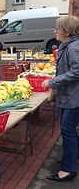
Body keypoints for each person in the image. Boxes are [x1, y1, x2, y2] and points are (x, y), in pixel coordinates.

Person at [42, 15, 79, 182]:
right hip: (68, 96)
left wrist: (52, 82)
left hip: (73, 98)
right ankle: (73, 157)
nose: (54, 31)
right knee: (69, 130)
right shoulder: (69, 45)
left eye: (57, 28)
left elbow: (76, 72)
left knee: (67, 131)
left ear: (66, 31)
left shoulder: (74, 48)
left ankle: (68, 169)